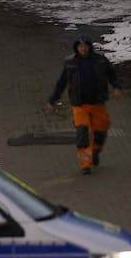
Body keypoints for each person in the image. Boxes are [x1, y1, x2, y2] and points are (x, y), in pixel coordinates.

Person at [45, 36, 122, 174]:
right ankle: (85, 164)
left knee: (100, 131)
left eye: (85, 46)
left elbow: (112, 74)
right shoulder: (70, 63)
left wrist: (116, 87)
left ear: (89, 47)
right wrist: (53, 100)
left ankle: (95, 151)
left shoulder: (100, 60)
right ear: (76, 48)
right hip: (79, 105)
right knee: (82, 133)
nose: (83, 49)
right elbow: (62, 82)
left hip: (98, 103)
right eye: (80, 46)